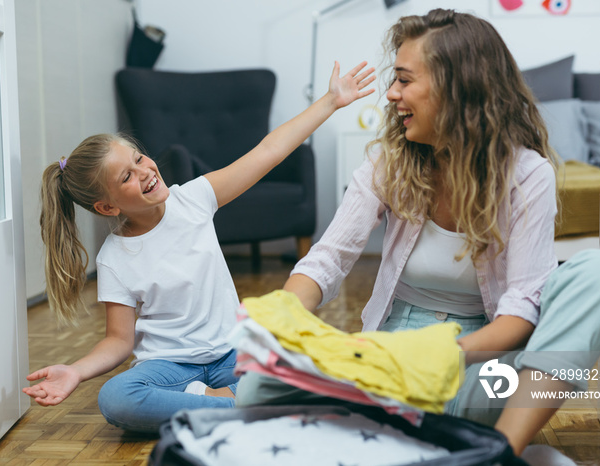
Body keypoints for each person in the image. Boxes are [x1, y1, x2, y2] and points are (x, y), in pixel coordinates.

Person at [235, 9, 600, 457]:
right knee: (256, 388)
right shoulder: (389, 161)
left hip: (481, 365)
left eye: (403, 80)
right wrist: (282, 321)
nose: (391, 94)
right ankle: (416, 428)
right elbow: (328, 259)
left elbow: (520, 311)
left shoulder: (527, 175)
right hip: (392, 361)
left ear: (458, 88)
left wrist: (443, 355)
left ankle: (498, 451)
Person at [22, 61, 376, 433]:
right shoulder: (113, 258)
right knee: (116, 399)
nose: (144, 171)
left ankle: (224, 403)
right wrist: (75, 371)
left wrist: (331, 101)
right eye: (127, 176)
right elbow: (118, 340)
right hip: (169, 368)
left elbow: (268, 151)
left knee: (304, 358)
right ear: (108, 207)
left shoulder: (193, 199)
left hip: (230, 352)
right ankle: (236, 403)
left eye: (139, 158)